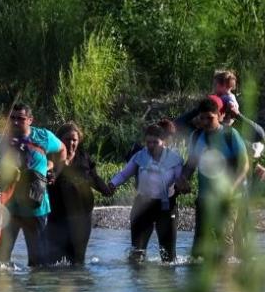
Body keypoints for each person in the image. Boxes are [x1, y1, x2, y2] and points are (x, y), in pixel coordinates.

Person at [0, 103, 67, 267]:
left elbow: (62, 149)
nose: (15, 122)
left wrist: (55, 171)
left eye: (20, 118)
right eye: (12, 118)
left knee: (38, 263)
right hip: (6, 208)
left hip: (36, 208)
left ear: (30, 120)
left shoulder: (44, 137)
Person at [176, 96, 249, 260]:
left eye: (210, 118)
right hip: (204, 199)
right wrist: (182, 179)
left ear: (219, 116)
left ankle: (227, 277)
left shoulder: (230, 135)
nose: (206, 122)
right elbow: (190, 165)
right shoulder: (196, 137)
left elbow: (244, 166)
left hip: (229, 199)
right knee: (198, 249)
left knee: (224, 240)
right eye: (202, 118)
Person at [109, 122, 184, 263]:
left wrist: (183, 186)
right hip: (142, 206)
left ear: (164, 142)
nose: (151, 146)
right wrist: (112, 184)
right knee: (137, 254)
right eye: (148, 142)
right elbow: (124, 174)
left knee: (168, 258)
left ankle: (167, 282)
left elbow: (180, 179)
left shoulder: (174, 159)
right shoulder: (139, 156)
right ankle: (138, 282)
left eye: (155, 142)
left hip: (166, 207)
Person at [44, 122, 113, 265]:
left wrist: (107, 190)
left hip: (82, 216)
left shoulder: (83, 157)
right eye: (67, 139)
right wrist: (48, 175)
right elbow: (45, 172)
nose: (71, 143)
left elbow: (93, 177)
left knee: (77, 259)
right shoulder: (52, 158)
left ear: (79, 140)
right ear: (59, 140)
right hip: (57, 216)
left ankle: (79, 285)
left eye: (74, 140)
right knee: (52, 259)